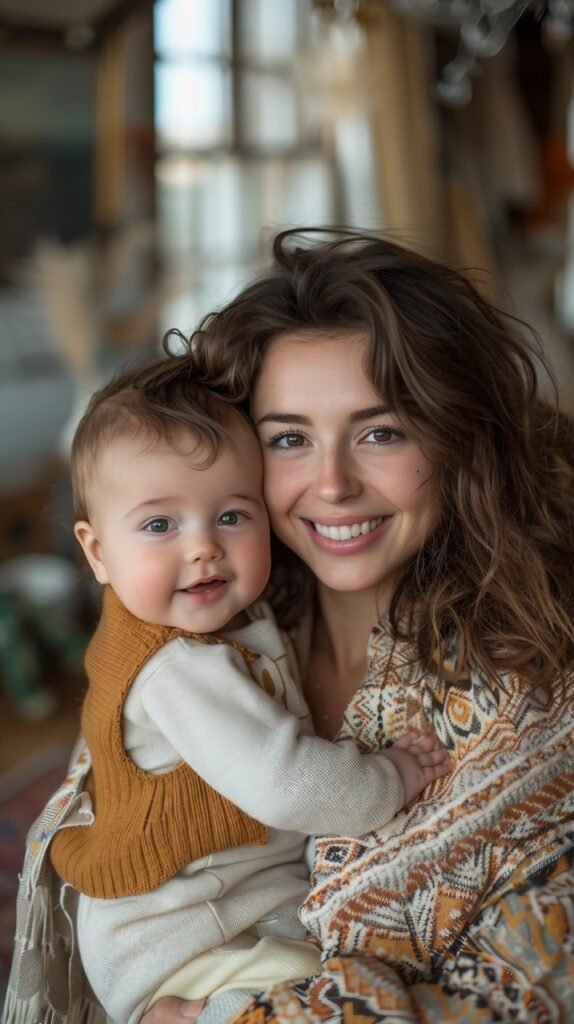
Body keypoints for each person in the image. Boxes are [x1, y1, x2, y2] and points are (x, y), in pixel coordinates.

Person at [139, 228, 573, 1023]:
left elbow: (536, 993)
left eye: (381, 431)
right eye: (290, 440)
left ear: (457, 441)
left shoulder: (537, 687)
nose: (332, 484)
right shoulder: (201, 638)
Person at [3, 354, 450, 1024]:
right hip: (187, 940)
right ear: (96, 553)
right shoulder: (180, 668)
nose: (204, 548)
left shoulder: (211, 622)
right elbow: (287, 782)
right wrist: (391, 775)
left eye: (233, 517)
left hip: (195, 924)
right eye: (160, 525)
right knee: (343, 1002)